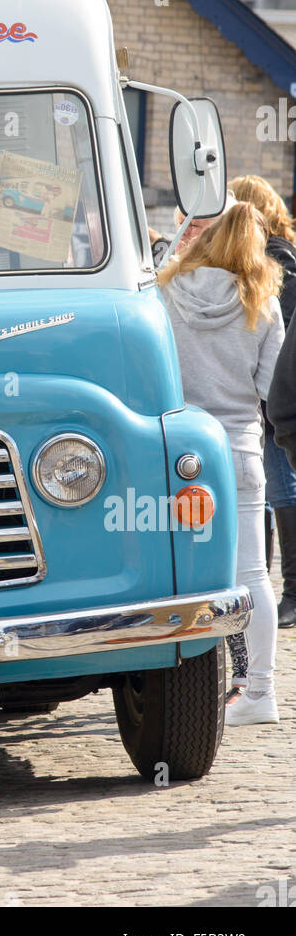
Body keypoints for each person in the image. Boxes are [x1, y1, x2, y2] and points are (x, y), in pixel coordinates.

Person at [158, 203, 284, 726]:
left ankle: (176, 689)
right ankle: (259, 690)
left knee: (178, 576)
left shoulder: (166, 291)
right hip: (238, 451)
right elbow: (271, 390)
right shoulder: (263, 304)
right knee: (252, 575)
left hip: (179, 452)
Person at [230, 176, 296, 630]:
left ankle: (291, 590)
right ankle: (275, 588)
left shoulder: (277, 258)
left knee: (282, 489)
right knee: (272, 495)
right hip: (269, 395)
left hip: (277, 393)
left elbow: (279, 325)